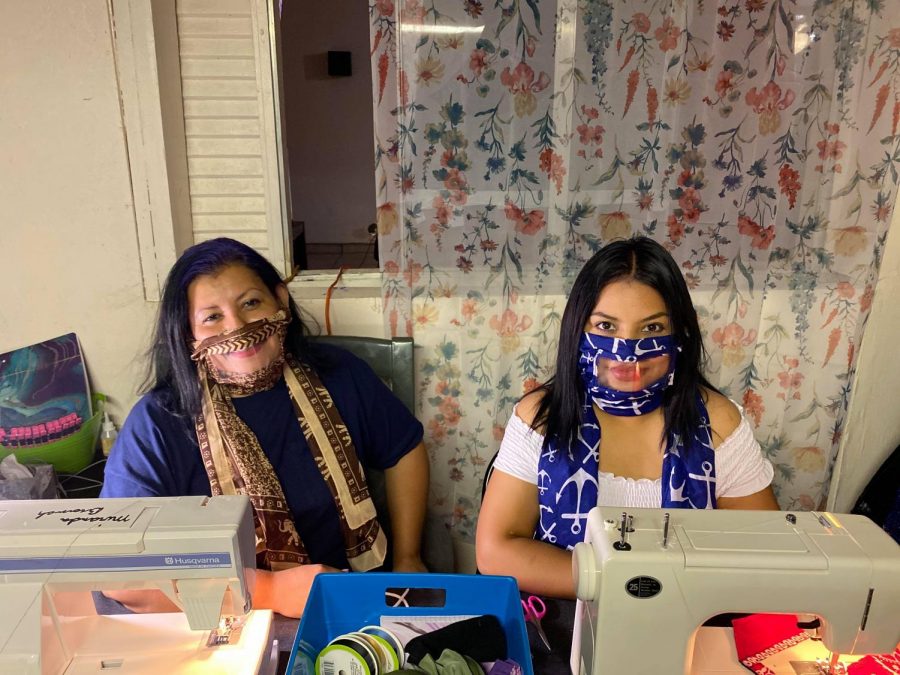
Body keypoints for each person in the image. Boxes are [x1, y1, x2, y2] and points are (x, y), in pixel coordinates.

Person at [100, 238, 429, 617]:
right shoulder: (157, 422)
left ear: (281, 301)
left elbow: (404, 450)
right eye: (212, 317)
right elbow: (120, 575)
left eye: (250, 303)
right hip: (223, 617)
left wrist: (408, 557)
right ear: (188, 334)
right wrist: (269, 591)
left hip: (352, 597)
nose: (237, 327)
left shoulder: (341, 374)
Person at [476, 236, 778, 599]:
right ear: (578, 329)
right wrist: (631, 587)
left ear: (679, 334)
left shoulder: (718, 423)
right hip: (562, 624)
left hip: (683, 623)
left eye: (651, 329)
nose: (627, 352)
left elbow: (765, 551)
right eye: (606, 327)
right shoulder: (540, 417)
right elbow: (495, 551)